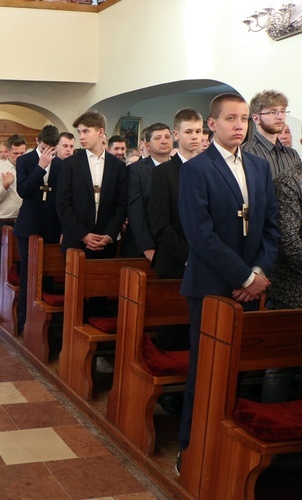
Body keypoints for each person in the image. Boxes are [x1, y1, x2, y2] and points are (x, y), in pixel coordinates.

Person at [176, 93, 279, 474]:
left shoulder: (258, 167)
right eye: (231, 119)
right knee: (204, 371)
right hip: (210, 286)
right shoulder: (196, 169)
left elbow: (271, 225)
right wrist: (244, 276)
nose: (240, 125)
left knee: (239, 370)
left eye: (244, 119)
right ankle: (192, 449)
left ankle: (231, 448)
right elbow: (199, 235)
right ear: (212, 125)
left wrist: (259, 275)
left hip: (251, 284)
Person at [147, 109, 204, 415]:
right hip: (176, 264)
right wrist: (189, 256)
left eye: (199, 131)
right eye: (189, 132)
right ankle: (170, 394)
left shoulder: (211, 169)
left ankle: (194, 395)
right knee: (174, 332)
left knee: (199, 333)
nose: (195, 137)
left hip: (206, 265)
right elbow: (159, 224)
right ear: (176, 135)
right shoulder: (164, 173)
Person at [57, 111, 127, 261]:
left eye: (86, 131)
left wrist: (109, 235)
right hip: (76, 242)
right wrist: (83, 235)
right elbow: (63, 204)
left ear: (100, 132)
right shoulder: (70, 164)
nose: (81, 137)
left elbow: (121, 205)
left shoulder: (118, 166)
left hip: (105, 243)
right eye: (79, 132)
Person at [14, 125, 62, 334]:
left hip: (52, 226)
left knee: (49, 275)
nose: (47, 153)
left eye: (51, 149)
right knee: (28, 274)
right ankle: (24, 322)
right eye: (44, 148)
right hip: (29, 226)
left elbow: (62, 197)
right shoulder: (25, 161)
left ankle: (46, 326)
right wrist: (40, 166)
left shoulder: (61, 164)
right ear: (37, 141)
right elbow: (23, 191)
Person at [262, 160, 302, 402]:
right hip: (291, 292)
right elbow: (289, 242)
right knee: (279, 368)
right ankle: (269, 424)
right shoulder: (289, 182)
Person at [0, 135, 26, 323]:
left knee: (24, 267)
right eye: (15, 153)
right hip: (4, 223)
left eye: (22, 153)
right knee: (1, 266)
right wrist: (5, 185)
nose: (19, 156)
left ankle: (21, 312)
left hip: (25, 222)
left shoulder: (30, 165)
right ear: (7, 152)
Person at [120, 123, 173, 259]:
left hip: (173, 245)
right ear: (148, 146)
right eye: (158, 138)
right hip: (143, 246)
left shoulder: (180, 168)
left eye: (167, 137)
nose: (164, 141)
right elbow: (135, 211)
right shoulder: (136, 170)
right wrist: (147, 247)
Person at [242, 89, 300, 179]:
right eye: (273, 112)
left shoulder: (292, 154)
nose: (280, 117)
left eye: (283, 111)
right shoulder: (246, 152)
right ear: (256, 118)